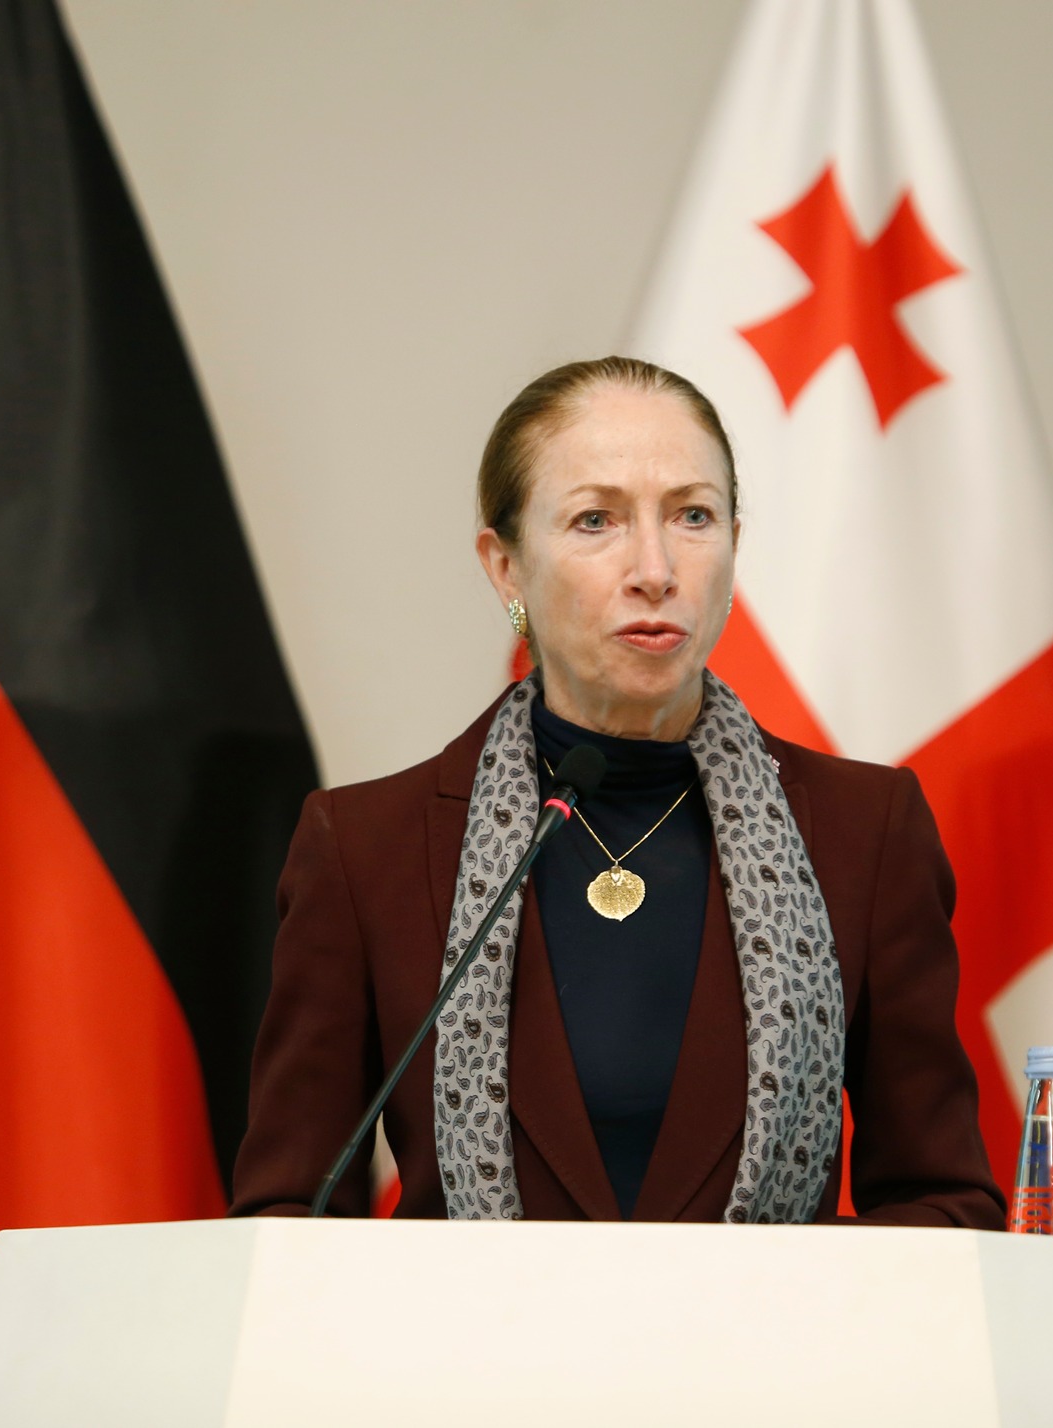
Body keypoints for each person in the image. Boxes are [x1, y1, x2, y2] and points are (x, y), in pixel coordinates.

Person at [229, 357, 1003, 1226]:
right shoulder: (365, 849)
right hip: (468, 1323)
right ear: (506, 567)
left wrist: (788, 1297)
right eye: (596, 520)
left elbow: (945, 1204)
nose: (655, 569)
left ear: (735, 545)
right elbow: (288, 1217)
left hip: (774, 1324)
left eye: (693, 516)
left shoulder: (867, 832)